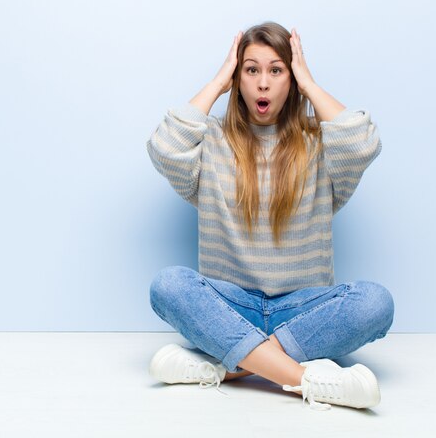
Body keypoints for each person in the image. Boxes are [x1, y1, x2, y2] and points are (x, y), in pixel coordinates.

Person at [145, 22, 394, 411]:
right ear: (237, 80)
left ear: (290, 80)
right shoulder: (210, 142)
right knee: (168, 285)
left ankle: (229, 366)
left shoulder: (321, 144)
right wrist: (217, 82)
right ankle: (306, 379)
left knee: (376, 303)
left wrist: (309, 83)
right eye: (251, 70)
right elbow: (163, 147)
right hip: (231, 307)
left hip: (302, 312)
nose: (263, 83)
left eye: (276, 70)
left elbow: (364, 142)